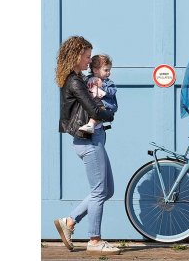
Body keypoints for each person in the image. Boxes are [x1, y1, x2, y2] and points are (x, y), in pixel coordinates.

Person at [54, 35, 121, 255]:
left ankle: (70, 222)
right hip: (88, 140)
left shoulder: (80, 78)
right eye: (86, 56)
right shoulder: (74, 81)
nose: (88, 61)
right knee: (99, 191)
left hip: (95, 138)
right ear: (75, 56)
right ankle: (94, 240)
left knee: (107, 189)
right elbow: (93, 109)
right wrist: (109, 113)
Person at [78, 54, 118, 134]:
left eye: (109, 70)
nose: (109, 73)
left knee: (98, 112)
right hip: (93, 105)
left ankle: (91, 125)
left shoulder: (107, 82)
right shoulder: (89, 79)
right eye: (106, 70)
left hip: (105, 106)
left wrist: (102, 86)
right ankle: (91, 126)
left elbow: (113, 91)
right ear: (95, 70)